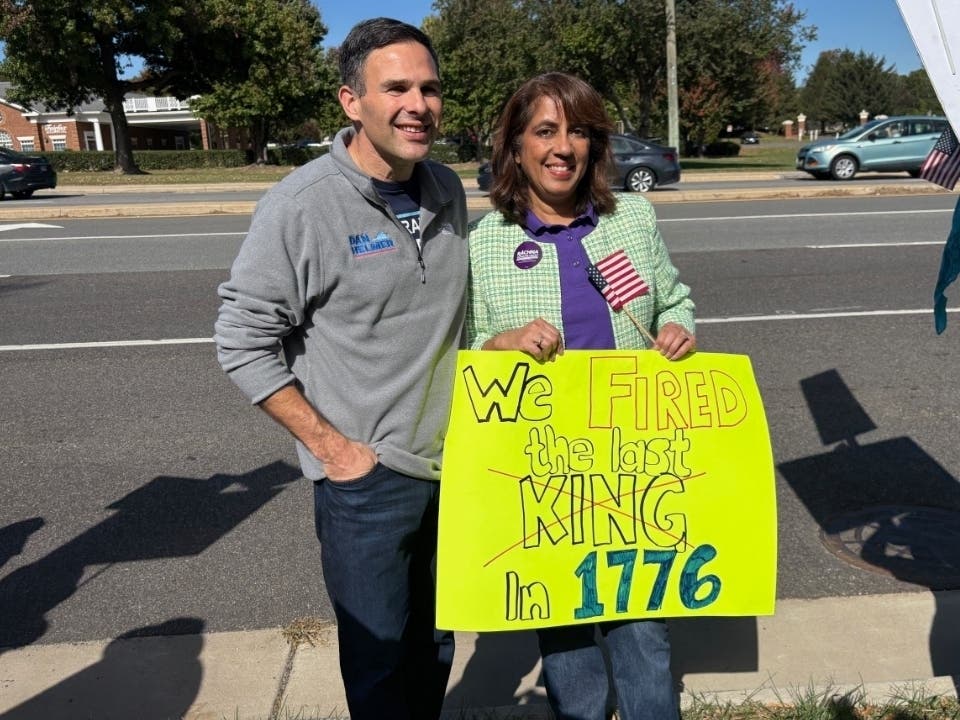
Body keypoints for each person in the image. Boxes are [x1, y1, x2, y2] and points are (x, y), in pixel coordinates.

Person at [213, 18, 468, 720]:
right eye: (397, 88)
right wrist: (334, 451)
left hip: (457, 469)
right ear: (351, 101)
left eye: (430, 87)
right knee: (380, 663)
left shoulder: (447, 189)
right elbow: (242, 341)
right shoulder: (302, 206)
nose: (419, 103)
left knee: (436, 645)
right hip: (367, 485)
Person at [466, 72, 694, 720]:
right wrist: (501, 341)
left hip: (634, 476)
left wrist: (680, 328)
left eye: (579, 132)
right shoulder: (484, 245)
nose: (563, 146)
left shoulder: (635, 221)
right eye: (544, 131)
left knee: (645, 641)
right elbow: (467, 348)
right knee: (568, 655)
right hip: (547, 486)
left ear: (595, 146)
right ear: (514, 146)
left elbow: (674, 298)